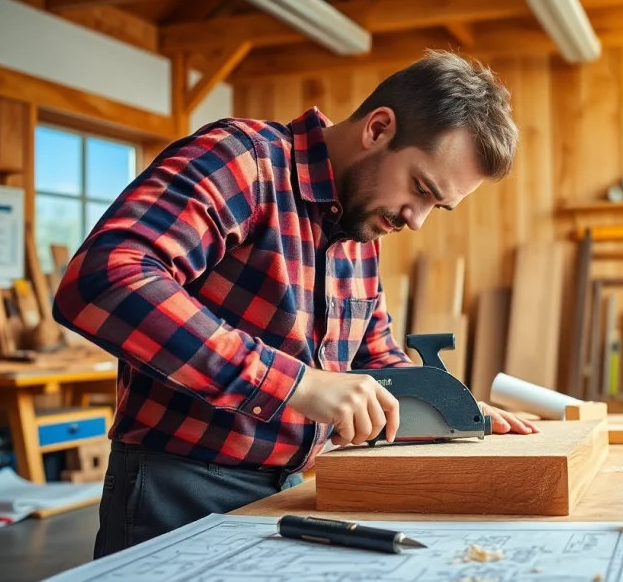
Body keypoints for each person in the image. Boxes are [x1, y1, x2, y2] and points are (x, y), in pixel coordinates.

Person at [51, 49, 537, 559]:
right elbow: (105, 277)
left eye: (438, 206)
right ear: (378, 129)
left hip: (291, 490)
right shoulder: (246, 161)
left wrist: (443, 407)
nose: (416, 220)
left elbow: (372, 356)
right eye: (420, 188)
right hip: (177, 488)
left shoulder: (361, 226)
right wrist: (297, 384)